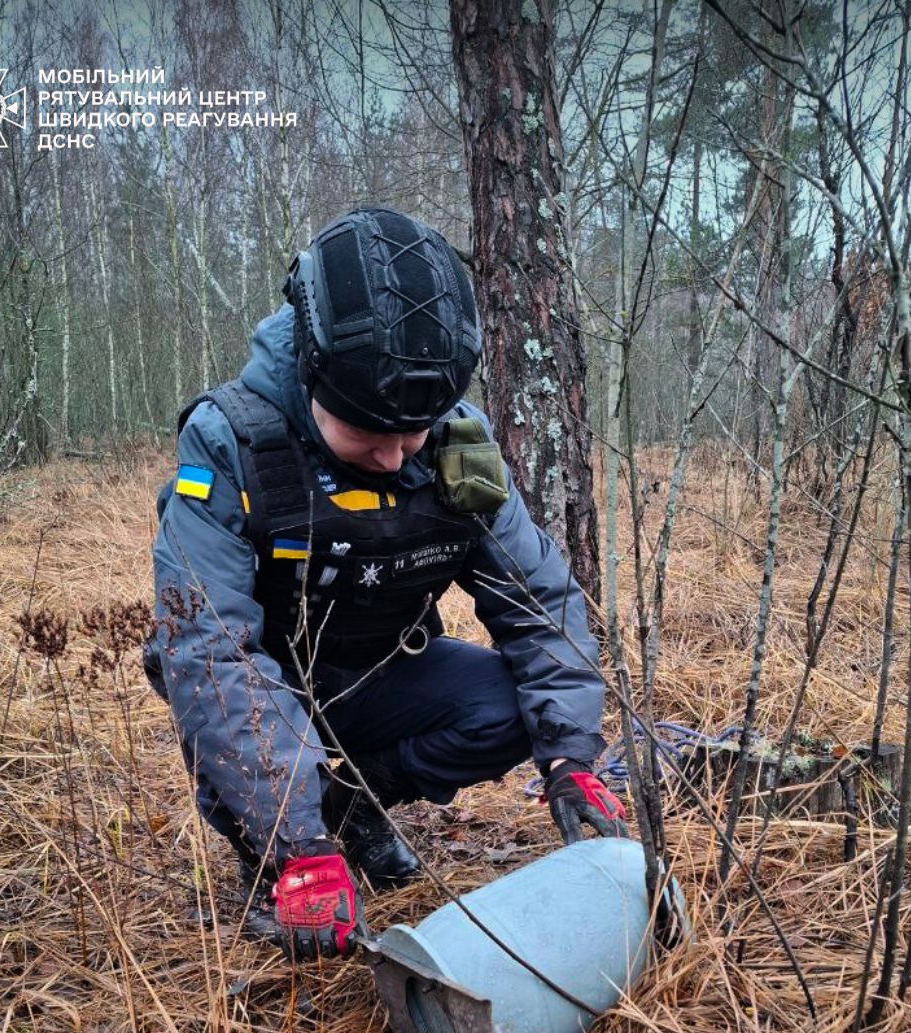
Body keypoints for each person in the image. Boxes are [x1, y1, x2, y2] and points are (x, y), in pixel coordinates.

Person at [144, 206, 626, 960]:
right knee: (226, 737)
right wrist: (293, 839)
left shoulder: (454, 446)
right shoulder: (229, 443)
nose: (399, 459)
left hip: (376, 676)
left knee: (505, 707)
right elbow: (211, 652)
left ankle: (352, 806)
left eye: (414, 434)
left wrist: (572, 759)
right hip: (271, 687)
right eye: (369, 436)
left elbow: (540, 608)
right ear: (311, 370)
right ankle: (278, 848)